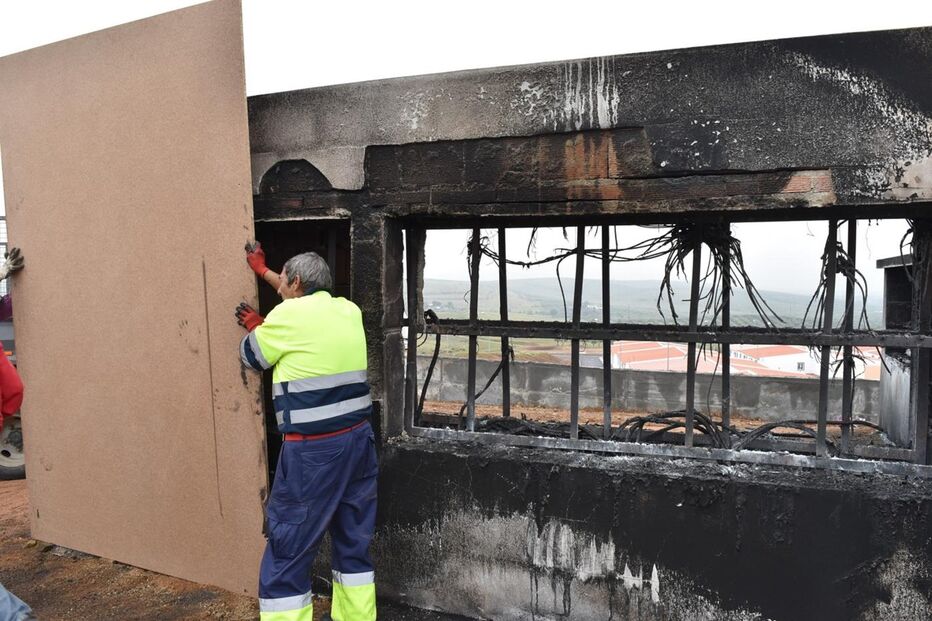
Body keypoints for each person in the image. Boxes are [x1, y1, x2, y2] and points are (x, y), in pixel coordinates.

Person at [236, 243, 377, 621]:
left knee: (289, 548)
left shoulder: (287, 316)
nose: (279, 285)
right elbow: (299, 301)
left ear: (295, 282)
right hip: (359, 443)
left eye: (282, 279)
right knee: (352, 544)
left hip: (313, 453)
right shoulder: (349, 310)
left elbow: (251, 356)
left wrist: (257, 327)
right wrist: (262, 270)